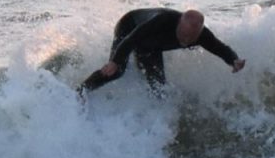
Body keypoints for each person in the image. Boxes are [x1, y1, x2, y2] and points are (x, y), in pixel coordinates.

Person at [79, 8, 246, 94]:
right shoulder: (162, 21)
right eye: (183, 35)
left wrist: (234, 60)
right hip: (129, 26)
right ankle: (81, 92)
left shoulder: (202, 35)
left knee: (158, 88)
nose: (185, 40)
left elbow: (219, 48)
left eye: (191, 38)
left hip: (151, 46)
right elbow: (131, 39)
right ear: (179, 24)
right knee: (117, 71)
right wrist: (114, 61)